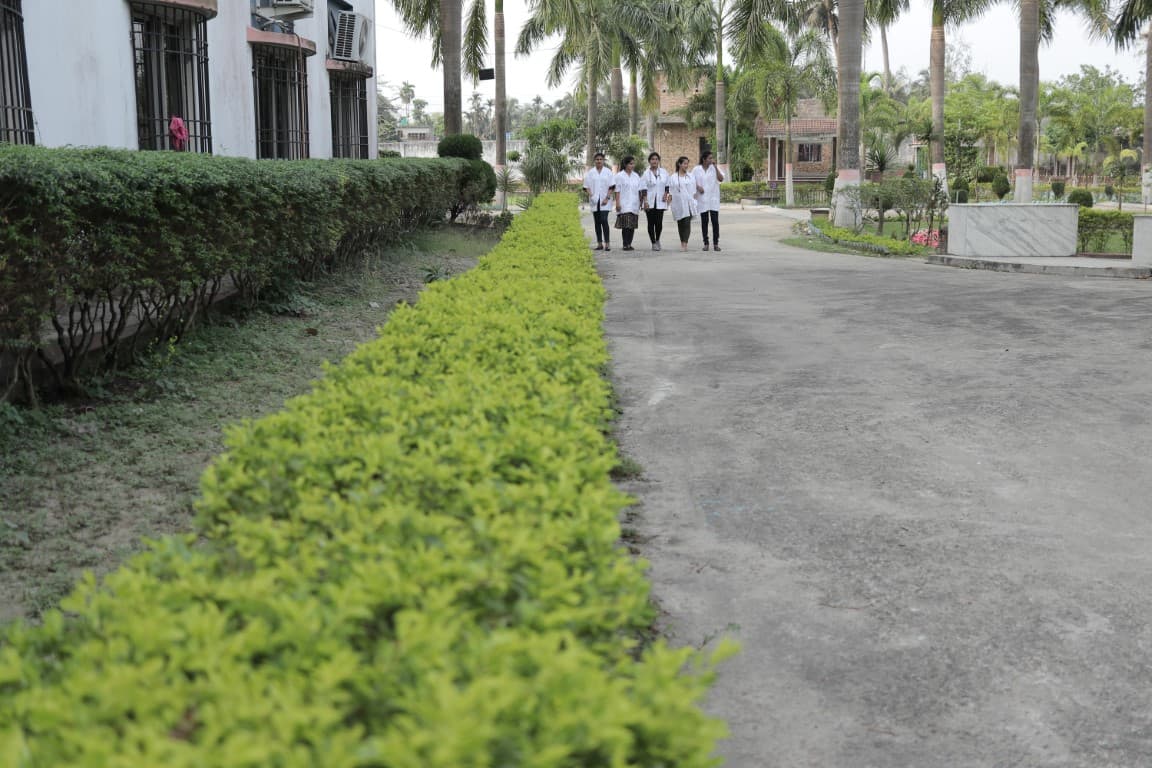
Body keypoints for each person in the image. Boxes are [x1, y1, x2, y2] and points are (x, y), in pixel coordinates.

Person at [692, 150, 725, 251]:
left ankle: (716, 243)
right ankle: (706, 243)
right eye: (710, 158)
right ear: (704, 159)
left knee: (715, 221)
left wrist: (715, 167)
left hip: (713, 198)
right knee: (704, 221)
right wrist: (698, 187)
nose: (711, 160)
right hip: (702, 199)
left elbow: (721, 179)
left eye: (712, 158)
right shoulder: (696, 169)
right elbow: (691, 180)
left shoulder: (714, 168)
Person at [583, 152, 616, 251]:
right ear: (594, 161)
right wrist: (591, 195)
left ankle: (607, 243)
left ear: (603, 161)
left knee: (604, 220)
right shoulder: (590, 173)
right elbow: (586, 187)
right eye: (597, 159)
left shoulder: (608, 172)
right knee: (597, 222)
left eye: (600, 159)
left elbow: (612, 186)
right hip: (594, 200)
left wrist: (607, 198)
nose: (599, 161)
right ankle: (599, 244)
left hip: (605, 201)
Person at [640, 152, 670, 251]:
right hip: (649, 201)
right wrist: (645, 201)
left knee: (659, 223)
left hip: (661, 201)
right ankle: (653, 243)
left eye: (656, 159)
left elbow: (667, 185)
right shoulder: (645, 173)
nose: (654, 161)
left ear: (659, 161)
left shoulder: (663, 172)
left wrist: (666, 194)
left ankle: (657, 240)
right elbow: (643, 188)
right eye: (652, 159)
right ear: (649, 161)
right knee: (650, 223)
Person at [669, 156, 698, 252]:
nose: (686, 165)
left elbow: (693, 191)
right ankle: (682, 241)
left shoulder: (690, 176)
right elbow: (670, 191)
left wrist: (694, 202)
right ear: (679, 164)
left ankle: (685, 243)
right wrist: (669, 201)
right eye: (684, 163)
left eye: (687, 163)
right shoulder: (673, 177)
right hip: (677, 204)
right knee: (680, 223)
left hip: (689, 203)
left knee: (686, 222)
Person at [614, 155, 642, 251]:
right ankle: (625, 244)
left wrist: (640, 202)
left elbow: (639, 190)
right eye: (630, 164)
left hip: (634, 203)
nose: (632, 165)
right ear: (625, 164)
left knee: (632, 225)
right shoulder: (619, 176)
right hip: (624, 203)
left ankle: (629, 243)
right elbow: (617, 191)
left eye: (633, 164)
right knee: (626, 225)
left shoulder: (636, 176)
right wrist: (617, 203)